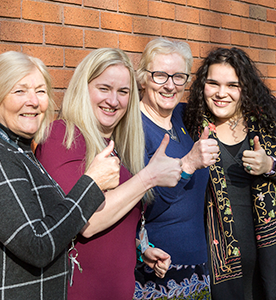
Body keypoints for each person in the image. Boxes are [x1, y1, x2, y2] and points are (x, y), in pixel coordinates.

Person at [35, 47, 183, 300]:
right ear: (84, 88)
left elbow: (112, 221)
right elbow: (87, 223)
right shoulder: (62, 135)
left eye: (123, 92)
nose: (113, 101)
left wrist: (139, 249)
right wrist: (149, 177)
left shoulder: (114, 146)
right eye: (104, 88)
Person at [0, 51, 121, 300]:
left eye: (41, 91)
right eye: (19, 91)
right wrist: (92, 183)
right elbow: (37, 245)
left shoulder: (19, 149)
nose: (33, 101)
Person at [184, 47, 276, 300]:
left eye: (232, 85)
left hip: (269, 257)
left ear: (245, 88)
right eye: (213, 83)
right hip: (219, 264)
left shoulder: (269, 121)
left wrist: (270, 166)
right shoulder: (188, 124)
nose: (221, 93)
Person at [133, 38, 219, 299]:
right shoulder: (134, 129)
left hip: (199, 264)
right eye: (160, 75)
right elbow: (142, 207)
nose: (170, 85)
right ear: (143, 78)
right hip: (159, 268)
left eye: (179, 76)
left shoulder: (184, 117)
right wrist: (187, 165)